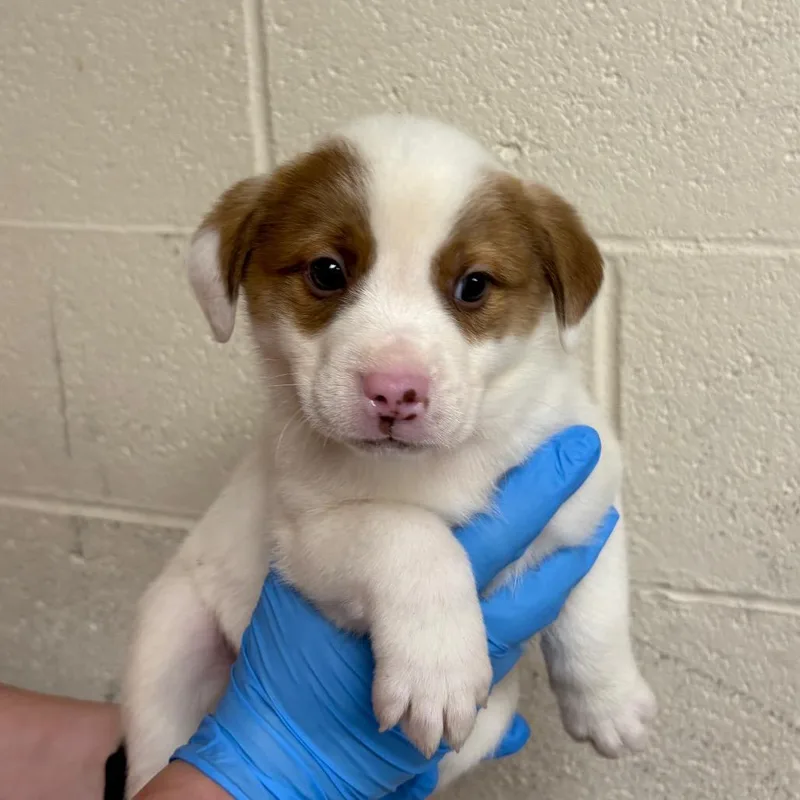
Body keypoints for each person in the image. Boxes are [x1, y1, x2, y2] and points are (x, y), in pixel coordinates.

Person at [1, 427, 615, 800]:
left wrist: (595, 669)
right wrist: (245, 773)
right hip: (223, 652)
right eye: (328, 277)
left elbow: (592, 509)